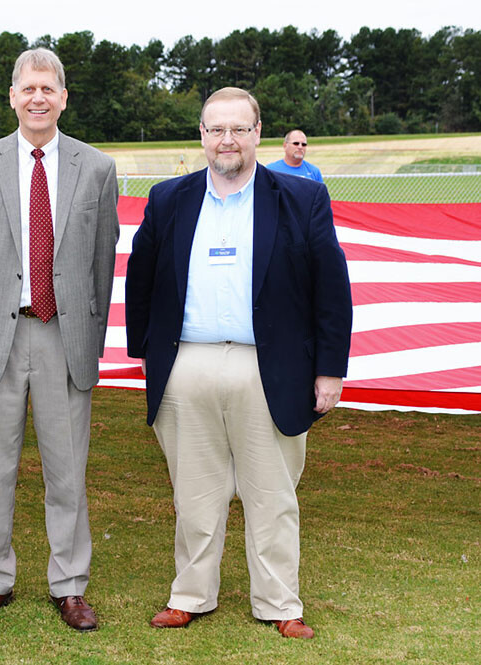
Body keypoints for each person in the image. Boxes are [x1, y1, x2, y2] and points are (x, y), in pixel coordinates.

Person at [125, 88, 352, 639]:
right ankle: (190, 595)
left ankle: (280, 603)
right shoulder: (168, 198)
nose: (226, 139)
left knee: (271, 495)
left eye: (238, 129)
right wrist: (147, 355)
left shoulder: (300, 199)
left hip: (268, 369)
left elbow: (331, 288)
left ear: (257, 133)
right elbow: (142, 278)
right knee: (194, 495)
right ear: (201, 135)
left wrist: (329, 370)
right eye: (215, 129)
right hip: (188, 366)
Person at [0, 48, 119, 632]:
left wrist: (90, 342)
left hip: (63, 337)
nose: (38, 98)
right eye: (29, 89)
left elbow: (102, 263)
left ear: (63, 97)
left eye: (49, 89)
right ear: (13, 96)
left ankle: (69, 584)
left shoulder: (96, 168)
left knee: (67, 470)